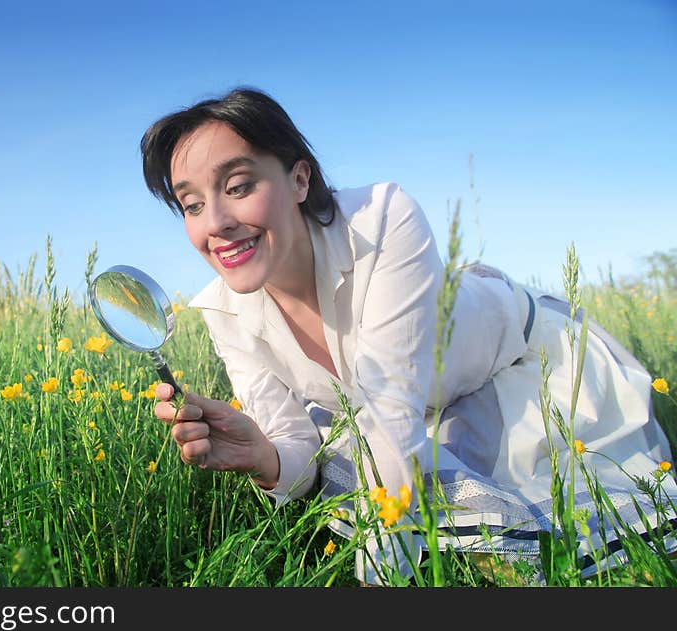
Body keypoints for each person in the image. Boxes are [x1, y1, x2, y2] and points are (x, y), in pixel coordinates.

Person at [140, 87, 676, 585]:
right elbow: (295, 444)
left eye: (238, 187)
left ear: (299, 180)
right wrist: (266, 456)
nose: (215, 223)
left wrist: (382, 570)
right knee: (356, 465)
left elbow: (390, 417)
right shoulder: (221, 308)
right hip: (417, 407)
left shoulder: (382, 219)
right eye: (191, 205)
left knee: (581, 529)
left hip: (519, 361)